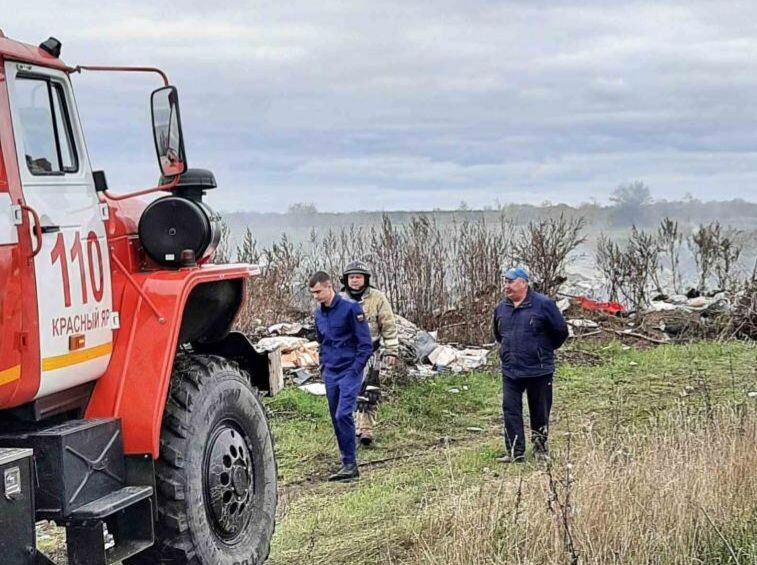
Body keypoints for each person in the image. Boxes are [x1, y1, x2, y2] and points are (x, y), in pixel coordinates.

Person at [492, 267, 569, 463]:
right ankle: (515, 452)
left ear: (524, 283)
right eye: (505, 282)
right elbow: (499, 335)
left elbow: (560, 331)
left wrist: (543, 350)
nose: (506, 286)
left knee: (539, 410)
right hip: (511, 370)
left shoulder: (543, 305)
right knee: (510, 410)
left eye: (510, 282)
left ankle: (540, 449)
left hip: (538, 369)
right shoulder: (501, 308)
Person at [310, 271, 373, 481]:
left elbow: (365, 344)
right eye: (313, 293)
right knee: (336, 418)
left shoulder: (351, 308)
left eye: (319, 291)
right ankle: (346, 460)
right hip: (331, 371)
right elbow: (322, 342)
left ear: (329, 287)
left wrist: (355, 370)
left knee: (343, 414)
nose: (316, 296)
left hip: (349, 370)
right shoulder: (319, 314)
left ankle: (351, 465)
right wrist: (323, 367)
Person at [340, 260, 399, 446]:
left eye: (358, 277)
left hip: (370, 354)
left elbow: (388, 326)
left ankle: (366, 431)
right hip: (347, 354)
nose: (355, 280)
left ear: (365, 279)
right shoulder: (338, 300)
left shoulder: (378, 298)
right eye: (351, 277)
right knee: (348, 392)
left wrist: (391, 351)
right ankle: (350, 430)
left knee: (370, 392)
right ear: (346, 280)